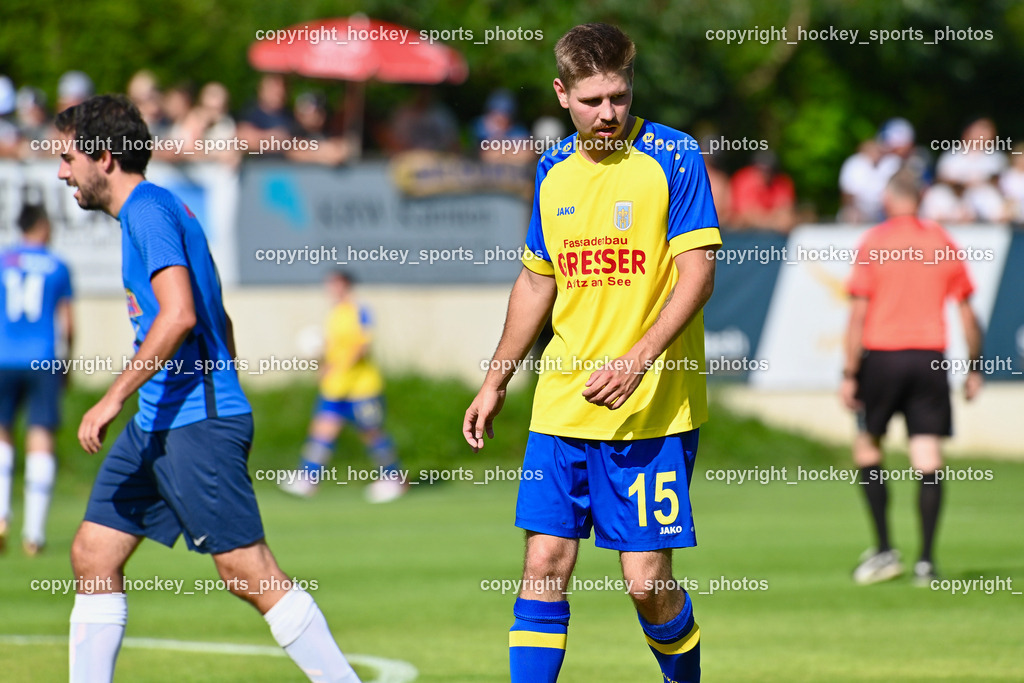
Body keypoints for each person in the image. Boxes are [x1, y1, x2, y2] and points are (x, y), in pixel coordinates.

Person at [55, 95, 360, 683]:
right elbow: (219, 318)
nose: (62, 171)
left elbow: (180, 316)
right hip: (159, 421)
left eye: (68, 157)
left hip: (192, 420)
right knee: (93, 554)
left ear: (105, 157)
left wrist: (111, 396)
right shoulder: (155, 208)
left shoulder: (146, 212)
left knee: (247, 572)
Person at [463, 23, 720, 683]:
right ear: (561, 94)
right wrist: (495, 381)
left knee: (644, 581)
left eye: (619, 94)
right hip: (561, 407)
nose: (609, 112)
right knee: (543, 563)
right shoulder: (551, 170)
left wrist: (638, 356)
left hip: (650, 413)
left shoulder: (675, 156)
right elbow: (536, 280)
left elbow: (698, 275)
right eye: (593, 100)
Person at [841, 172, 984, 587]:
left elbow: (857, 315)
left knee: (868, 447)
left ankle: (885, 550)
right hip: (929, 359)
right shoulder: (941, 241)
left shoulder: (874, 242)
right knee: (927, 457)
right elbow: (968, 316)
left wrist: (850, 373)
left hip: (882, 358)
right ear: (920, 199)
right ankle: (925, 561)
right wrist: (975, 367)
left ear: (887, 199)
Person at [281, 271, 405, 503]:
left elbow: (362, 346)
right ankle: (308, 479)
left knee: (372, 433)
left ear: (346, 286)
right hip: (335, 389)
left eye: (336, 285)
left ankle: (394, 479)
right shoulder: (334, 314)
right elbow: (331, 348)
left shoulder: (360, 311)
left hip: (362, 388)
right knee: (321, 432)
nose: (331, 289)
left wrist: (337, 367)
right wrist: (322, 365)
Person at [0, 203, 73, 556]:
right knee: (41, 436)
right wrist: (68, 364)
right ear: (42, 227)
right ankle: (34, 534)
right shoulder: (58, 267)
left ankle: (1, 515)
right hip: (42, 359)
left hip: (2, 357)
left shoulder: (3, 261)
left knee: (2, 435)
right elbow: (68, 323)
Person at [729, 150, 796, 232]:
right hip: (744, 235)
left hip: (773, 236)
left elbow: (786, 218)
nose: (764, 173)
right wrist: (772, 219)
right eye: (761, 169)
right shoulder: (743, 180)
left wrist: (762, 218)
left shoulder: (782, 183)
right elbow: (746, 215)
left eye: (769, 170)